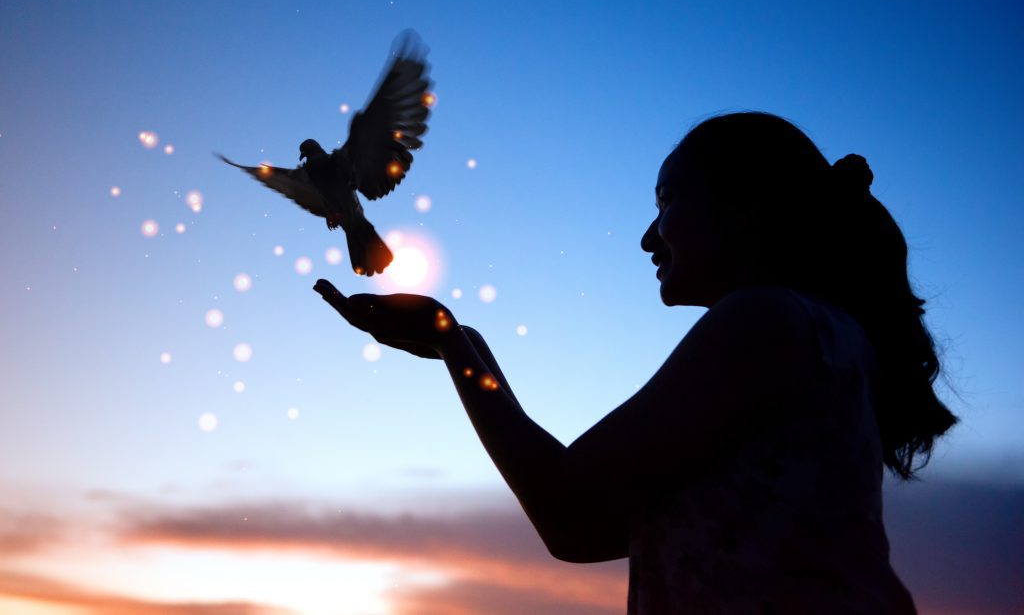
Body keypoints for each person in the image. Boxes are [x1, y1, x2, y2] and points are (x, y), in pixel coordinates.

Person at [314, 111, 958, 614]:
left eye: (667, 201)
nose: (649, 237)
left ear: (747, 208)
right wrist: (458, 342)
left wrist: (451, 344)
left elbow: (567, 511)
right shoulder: (819, 338)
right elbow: (590, 530)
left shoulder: (769, 321)